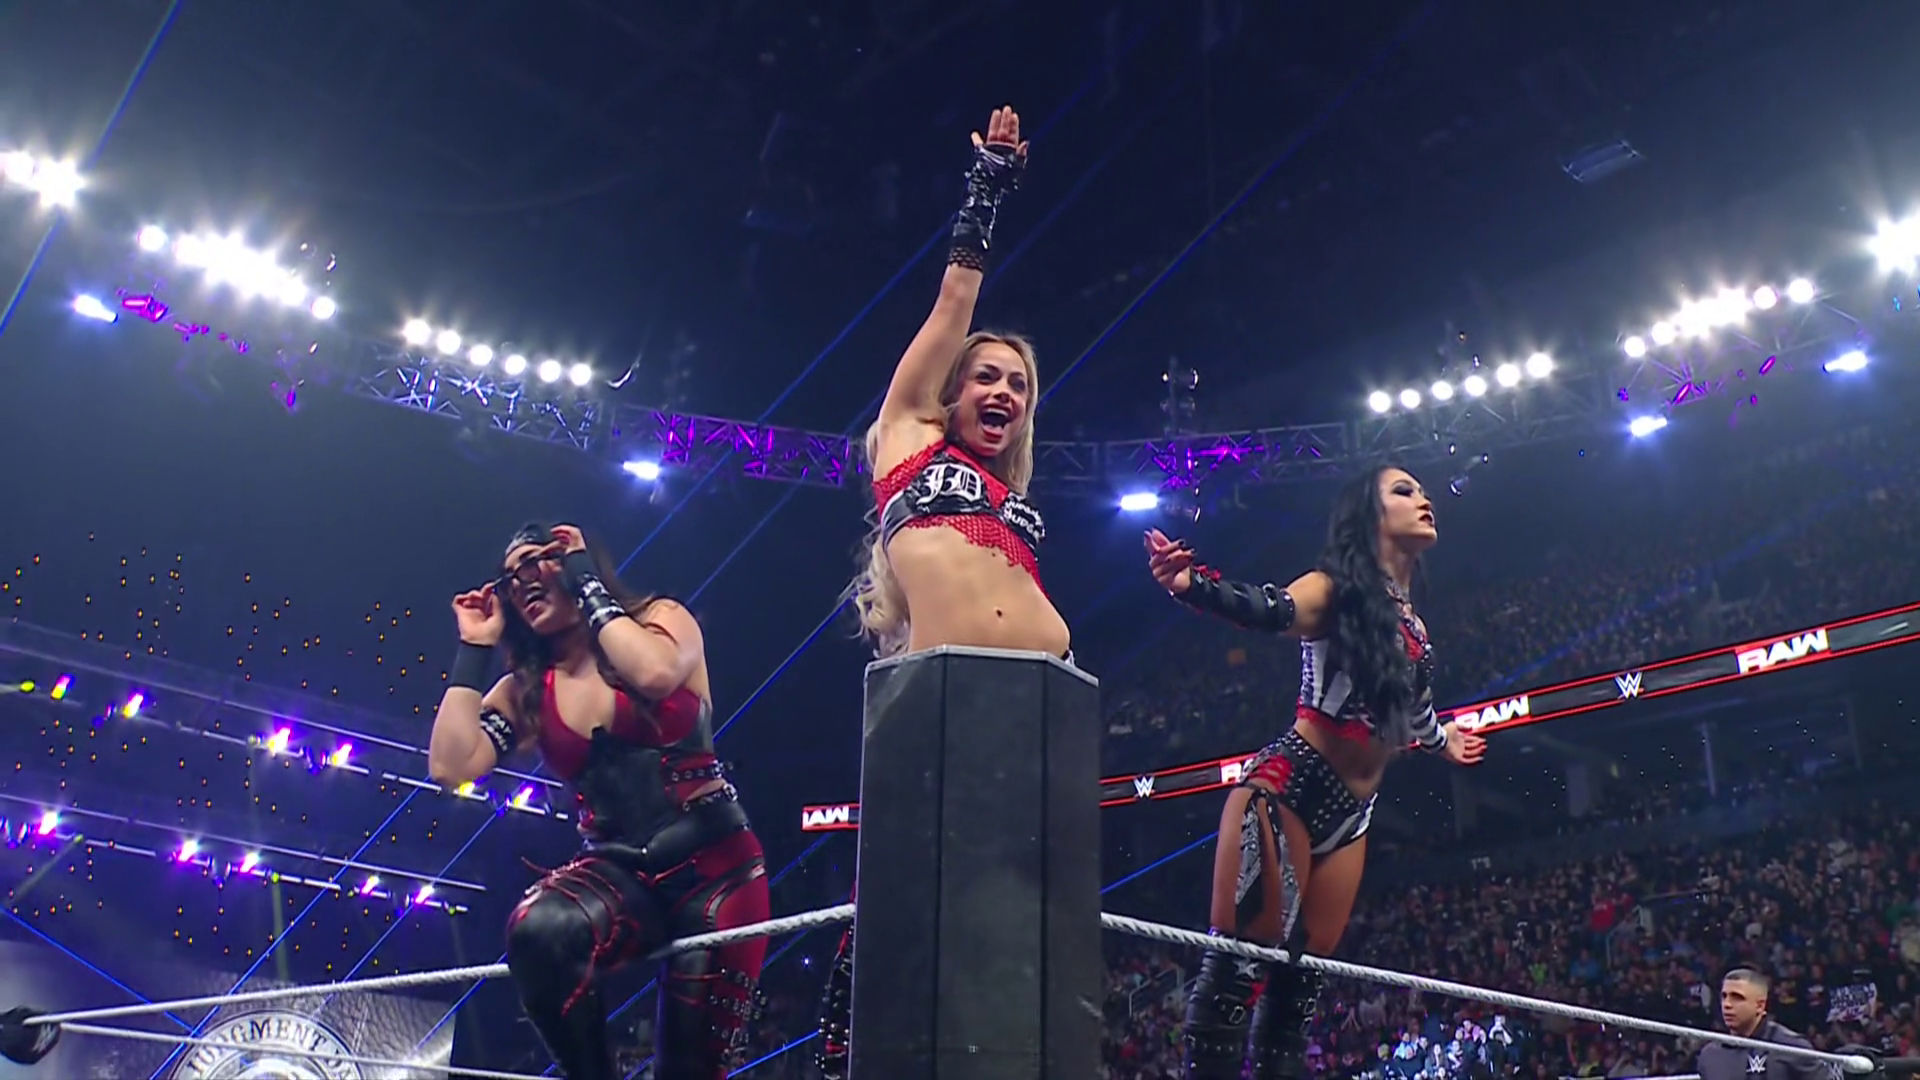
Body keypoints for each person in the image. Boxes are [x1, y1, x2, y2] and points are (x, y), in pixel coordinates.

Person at [816, 103, 1053, 1080]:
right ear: (948, 394)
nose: (1004, 393)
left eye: (1019, 387)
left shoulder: (1010, 496)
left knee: (1008, 924)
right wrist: (987, 187)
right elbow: (955, 300)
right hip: (945, 697)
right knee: (902, 909)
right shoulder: (908, 440)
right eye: (987, 378)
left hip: (1041, 709)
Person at [1143, 465, 1488, 1080]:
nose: (1424, 499)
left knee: (1298, 995)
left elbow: (1415, 709)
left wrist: (1443, 743)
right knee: (1239, 972)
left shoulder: (1414, 626)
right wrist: (1192, 584)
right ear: (1369, 516)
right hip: (1289, 791)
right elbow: (1271, 608)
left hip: (1352, 816)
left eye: (1422, 490)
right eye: (1403, 491)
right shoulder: (1334, 589)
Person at [428, 523, 769, 1080]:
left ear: (573, 560)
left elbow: (654, 673)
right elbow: (450, 765)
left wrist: (586, 581)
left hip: (715, 870)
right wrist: (474, 648)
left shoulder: (661, 619)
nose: (524, 582)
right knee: (539, 929)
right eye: (511, 578)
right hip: (618, 872)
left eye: (537, 562)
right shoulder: (527, 688)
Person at [1699, 969, 1841, 1080]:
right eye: (1724, 996)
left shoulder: (1789, 1047)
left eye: (1737, 997)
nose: (1727, 1004)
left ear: (1760, 1005)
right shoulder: (1710, 1055)